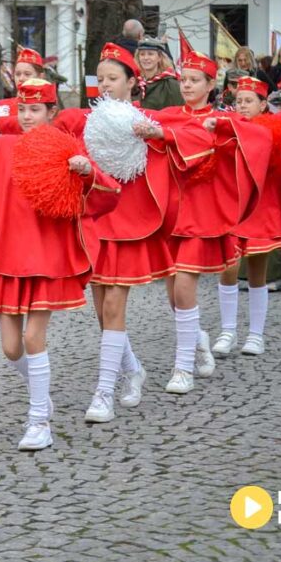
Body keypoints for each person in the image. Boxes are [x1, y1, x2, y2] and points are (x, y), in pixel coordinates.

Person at [0, 79, 121, 450]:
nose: (28, 117)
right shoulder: (2, 147)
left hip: (45, 256)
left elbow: (107, 194)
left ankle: (38, 421)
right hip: (9, 254)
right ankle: (41, 395)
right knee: (11, 348)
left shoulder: (66, 149)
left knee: (33, 338)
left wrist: (85, 172)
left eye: (35, 110)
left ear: (51, 113)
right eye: (23, 110)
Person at [82, 43, 211, 423]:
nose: (105, 85)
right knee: (101, 312)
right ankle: (133, 367)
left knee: (113, 307)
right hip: (96, 223)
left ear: (131, 83)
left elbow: (197, 135)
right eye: (100, 78)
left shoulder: (148, 117)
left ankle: (104, 391)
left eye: (112, 79)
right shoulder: (85, 120)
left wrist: (159, 135)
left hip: (130, 224)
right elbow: (40, 126)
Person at [158, 51, 272, 394]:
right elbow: (146, 123)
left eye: (195, 80)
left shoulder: (224, 118)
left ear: (211, 85)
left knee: (183, 285)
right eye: (184, 80)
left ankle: (182, 369)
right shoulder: (169, 114)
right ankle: (198, 340)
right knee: (174, 295)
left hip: (202, 214)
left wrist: (220, 125)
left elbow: (259, 138)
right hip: (169, 213)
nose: (187, 86)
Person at [212, 77, 281, 357]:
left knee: (258, 273)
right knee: (228, 268)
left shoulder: (275, 130)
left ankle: (255, 335)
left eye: (249, 101)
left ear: (263, 104)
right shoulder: (228, 128)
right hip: (231, 209)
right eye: (238, 101)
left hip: (260, 212)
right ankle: (228, 331)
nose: (243, 106)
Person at [137, 37, 183, 110]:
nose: (145, 58)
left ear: (159, 57)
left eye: (150, 54)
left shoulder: (170, 84)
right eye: (142, 54)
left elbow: (179, 110)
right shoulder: (136, 83)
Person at [0, 48, 45, 116]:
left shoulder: (47, 107)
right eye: (18, 74)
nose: (21, 79)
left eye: (27, 74)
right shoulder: (2, 107)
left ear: (40, 77)